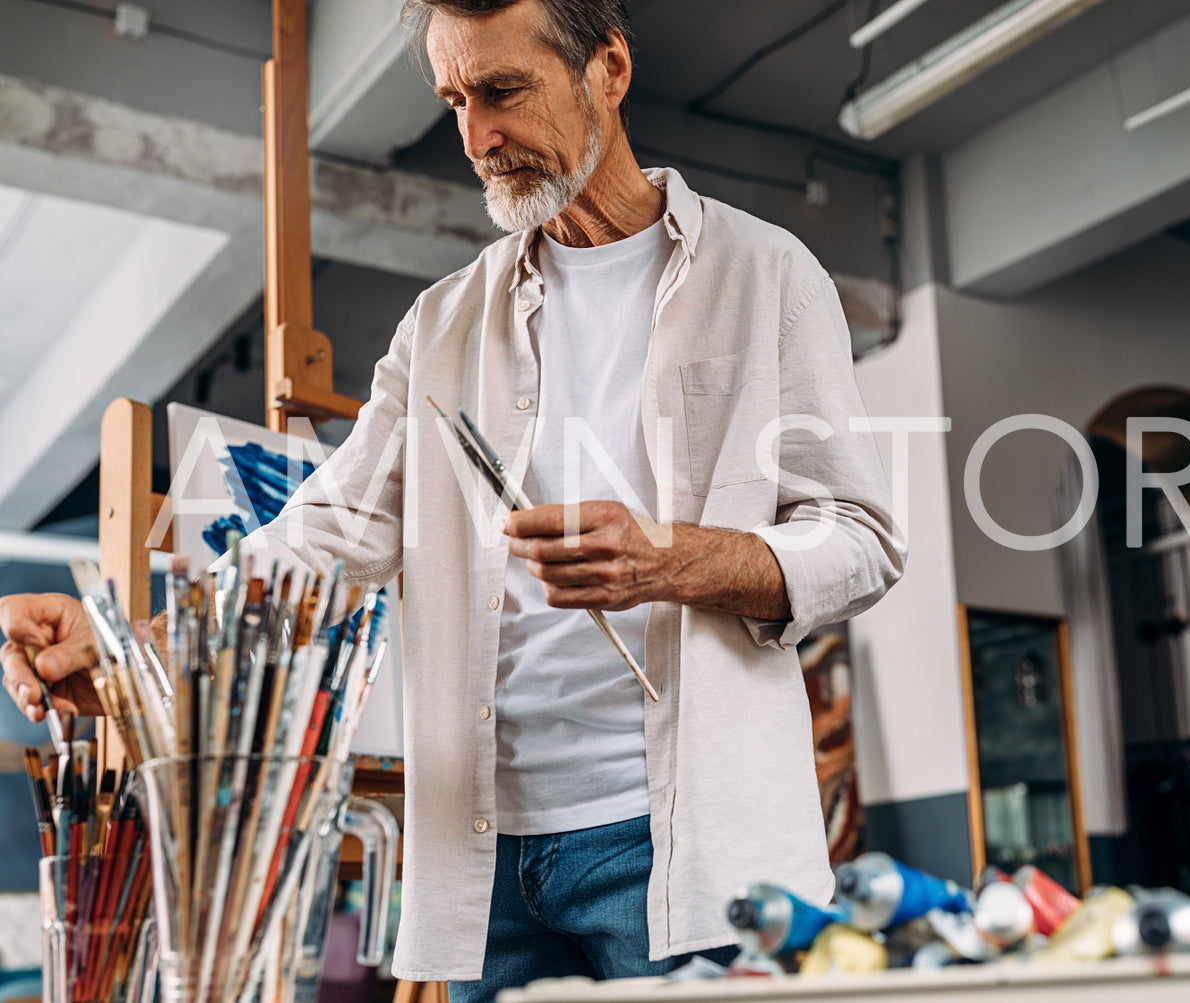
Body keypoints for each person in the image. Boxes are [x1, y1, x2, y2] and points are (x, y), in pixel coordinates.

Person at [1, 0, 903, 995]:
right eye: (453, 99)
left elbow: (857, 538)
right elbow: (327, 534)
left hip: (678, 842)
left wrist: (669, 558)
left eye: (501, 92)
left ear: (606, 69)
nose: (475, 137)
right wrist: (132, 644)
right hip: (485, 856)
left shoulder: (765, 274)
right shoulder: (440, 323)